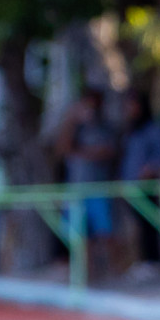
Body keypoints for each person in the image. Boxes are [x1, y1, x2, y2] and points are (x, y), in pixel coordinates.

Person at [54, 88, 118, 278]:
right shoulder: (75, 128)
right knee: (78, 235)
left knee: (105, 234)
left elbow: (106, 152)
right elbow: (62, 150)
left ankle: (112, 273)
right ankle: (85, 275)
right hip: (75, 189)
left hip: (98, 188)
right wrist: (71, 120)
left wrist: (80, 152)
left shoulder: (106, 128)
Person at [119, 90, 160, 269]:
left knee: (150, 226)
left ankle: (154, 263)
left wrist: (149, 170)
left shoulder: (153, 129)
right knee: (138, 227)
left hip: (147, 187)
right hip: (131, 187)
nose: (130, 109)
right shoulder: (131, 130)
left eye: (134, 104)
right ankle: (143, 261)